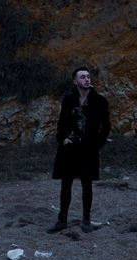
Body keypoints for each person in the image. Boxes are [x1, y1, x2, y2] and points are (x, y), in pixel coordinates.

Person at [47, 66, 111, 234]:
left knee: (86, 185)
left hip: (88, 149)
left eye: (88, 76)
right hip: (69, 148)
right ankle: (62, 220)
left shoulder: (100, 101)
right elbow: (61, 123)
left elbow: (106, 127)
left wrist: (98, 144)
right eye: (82, 77)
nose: (87, 79)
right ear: (75, 81)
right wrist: (63, 139)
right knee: (65, 185)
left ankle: (86, 220)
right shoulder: (68, 100)